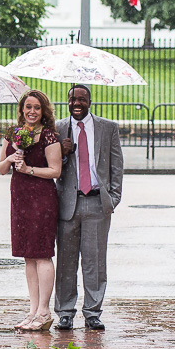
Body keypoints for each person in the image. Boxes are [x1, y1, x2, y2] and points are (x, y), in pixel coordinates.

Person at [54, 84, 124, 331]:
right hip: (67, 204)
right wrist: (62, 153)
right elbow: (51, 166)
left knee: (95, 262)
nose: (77, 104)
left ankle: (93, 312)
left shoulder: (108, 128)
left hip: (96, 202)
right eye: (73, 99)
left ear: (90, 101)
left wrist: (113, 198)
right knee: (65, 262)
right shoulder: (58, 128)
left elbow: (117, 165)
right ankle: (65, 312)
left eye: (82, 99)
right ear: (67, 101)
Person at [0, 89, 62, 332]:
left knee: (42, 253)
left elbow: (55, 171)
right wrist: (12, 157)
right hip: (20, 198)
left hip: (42, 198)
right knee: (28, 255)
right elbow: (1, 169)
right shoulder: (13, 133)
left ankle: (45, 311)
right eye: (28, 107)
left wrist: (29, 169)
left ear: (43, 111)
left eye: (36, 107)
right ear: (22, 109)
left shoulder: (48, 136)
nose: (32, 111)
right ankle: (33, 310)